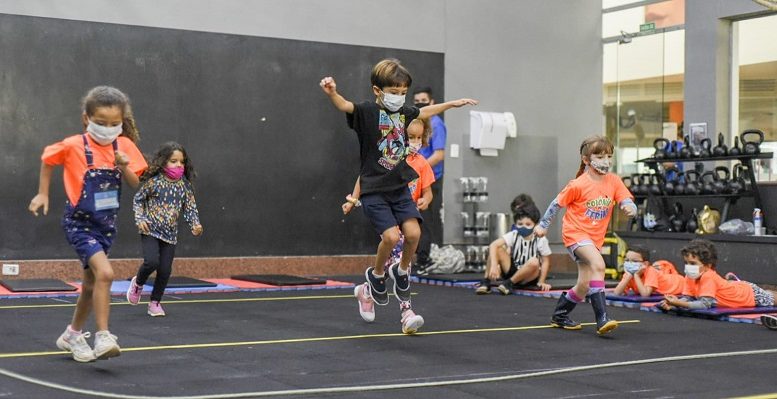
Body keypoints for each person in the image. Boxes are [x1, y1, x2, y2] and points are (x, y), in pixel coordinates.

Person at [320, 58, 477, 334]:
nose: (399, 97)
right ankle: (377, 275)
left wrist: (451, 104)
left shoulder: (404, 114)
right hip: (374, 191)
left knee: (414, 234)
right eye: (394, 92)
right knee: (391, 237)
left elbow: (425, 111)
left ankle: (401, 271)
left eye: (403, 92)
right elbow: (346, 106)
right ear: (377, 90)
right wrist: (333, 92)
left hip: (399, 188)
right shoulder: (368, 112)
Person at [28, 86, 147, 362]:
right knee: (105, 273)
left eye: (114, 124)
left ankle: (72, 334)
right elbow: (48, 159)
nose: (108, 129)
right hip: (79, 224)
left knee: (91, 285)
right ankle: (103, 335)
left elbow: (136, 184)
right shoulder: (73, 145)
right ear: (87, 119)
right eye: (101, 123)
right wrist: (43, 192)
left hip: (106, 225)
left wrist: (124, 166)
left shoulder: (125, 147)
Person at [534, 135, 637, 335]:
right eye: (599, 156)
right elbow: (557, 203)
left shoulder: (614, 181)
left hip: (594, 238)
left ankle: (560, 315)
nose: (605, 161)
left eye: (609, 156)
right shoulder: (578, 184)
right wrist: (543, 225)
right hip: (575, 234)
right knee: (599, 265)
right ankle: (602, 319)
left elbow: (625, 197)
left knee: (583, 285)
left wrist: (629, 206)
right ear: (586, 159)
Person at [342, 119, 435, 317]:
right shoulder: (391, 156)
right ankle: (406, 311)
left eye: (419, 138)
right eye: (411, 138)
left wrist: (425, 200)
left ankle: (367, 290)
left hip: (407, 214)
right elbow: (365, 175)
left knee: (394, 263)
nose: (415, 142)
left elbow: (428, 191)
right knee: (401, 260)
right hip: (388, 213)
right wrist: (353, 198)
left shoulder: (422, 163)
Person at [126, 142, 203, 316]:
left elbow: (190, 208)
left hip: (170, 235)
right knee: (151, 262)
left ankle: (155, 302)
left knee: (165, 270)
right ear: (163, 162)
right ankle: (138, 283)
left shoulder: (184, 186)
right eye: (173, 161)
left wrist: (195, 224)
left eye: (181, 162)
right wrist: (140, 219)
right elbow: (138, 200)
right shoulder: (154, 182)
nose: (178, 165)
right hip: (150, 230)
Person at [658, 239, 776, 311]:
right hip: (734, 287)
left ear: (708, 265)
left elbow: (704, 304)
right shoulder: (689, 276)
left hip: (748, 294)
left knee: (772, 299)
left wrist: (678, 303)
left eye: (693, 263)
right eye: (686, 263)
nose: (688, 266)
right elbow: (688, 298)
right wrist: (673, 303)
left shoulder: (708, 276)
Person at [475, 204, 552, 295]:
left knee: (534, 261)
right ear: (515, 224)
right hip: (513, 270)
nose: (523, 227)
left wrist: (541, 281)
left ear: (535, 225)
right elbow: (493, 245)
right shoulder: (514, 234)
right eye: (520, 224)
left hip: (528, 275)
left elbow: (546, 261)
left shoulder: (540, 239)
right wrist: (494, 265)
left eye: (528, 224)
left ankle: (509, 283)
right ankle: (486, 281)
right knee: (497, 249)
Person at [412, 87, 447, 272]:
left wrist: (419, 167)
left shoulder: (436, 123)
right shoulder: (416, 122)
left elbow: (439, 154)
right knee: (415, 219)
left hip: (431, 179)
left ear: (432, 102)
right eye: (417, 101)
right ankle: (417, 257)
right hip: (414, 180)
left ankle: (425, 259)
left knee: (426, 219)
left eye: (424, 100)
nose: (420, 103)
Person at [612, 245, 683, 297]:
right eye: (627, 260)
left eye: (635, 261)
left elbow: (645, 294)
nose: (630, 263)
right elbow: (616, 293)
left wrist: (636, 276)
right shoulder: (629, 273)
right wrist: (628, 276)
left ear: (645, 264)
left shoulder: (651, 271)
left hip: (678, 284)